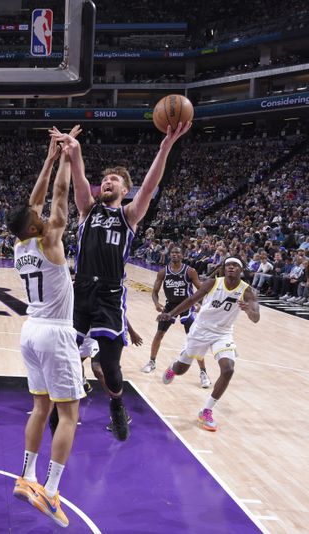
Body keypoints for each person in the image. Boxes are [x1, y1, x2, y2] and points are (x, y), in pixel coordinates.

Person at [62, 121, 191, 441]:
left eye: (114, 180)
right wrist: (75, 154)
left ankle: (117, 405)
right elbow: (78, 181)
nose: (107, 181)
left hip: (108, 294)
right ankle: (59, 407)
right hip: (79, 291)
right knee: (64, 354)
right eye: (104, 179)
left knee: (109, 364)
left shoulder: (129, 216)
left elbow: (148, 187)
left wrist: (164, 148)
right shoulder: (85, 210)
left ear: (124, 190)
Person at [8, 127, 81, 528]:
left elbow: (32, 203)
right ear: (37, 227)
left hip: (30, 332)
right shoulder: (50, 239)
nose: (42, 214)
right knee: (69, 416)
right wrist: (67, 158)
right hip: (55, 331)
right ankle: (52, 492)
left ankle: (27, 477)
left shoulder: (20, 245)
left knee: (40, 407)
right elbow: (57, 198)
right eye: (38, 218)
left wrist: (49, 157)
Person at [159, 257, 260, 431]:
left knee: (228, 369)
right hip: (201, 330)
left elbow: (256, 318)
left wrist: (247, 309)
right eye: (228, 265)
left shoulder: (248, 291)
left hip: (223, 333)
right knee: (181, 370)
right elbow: (191, 301)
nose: (231, 267)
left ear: (241, 270)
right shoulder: (212, 283)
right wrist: (171, 314)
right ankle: (173, 367)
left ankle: (206, 410)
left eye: (235, 265)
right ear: (224, 268)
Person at [141, 246, 211, 388]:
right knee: (159, 334)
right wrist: (156, 304)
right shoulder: (162, 272)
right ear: (170, 255)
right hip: (170, 307)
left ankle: (203, 372)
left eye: (177, 252)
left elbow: (201, 290)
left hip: (187, 306)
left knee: (194, 340)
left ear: (182, 255)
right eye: (172, 252)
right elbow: (154, 291)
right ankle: (152, 362)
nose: (174, 254)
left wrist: (199, 304)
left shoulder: (190, 271)